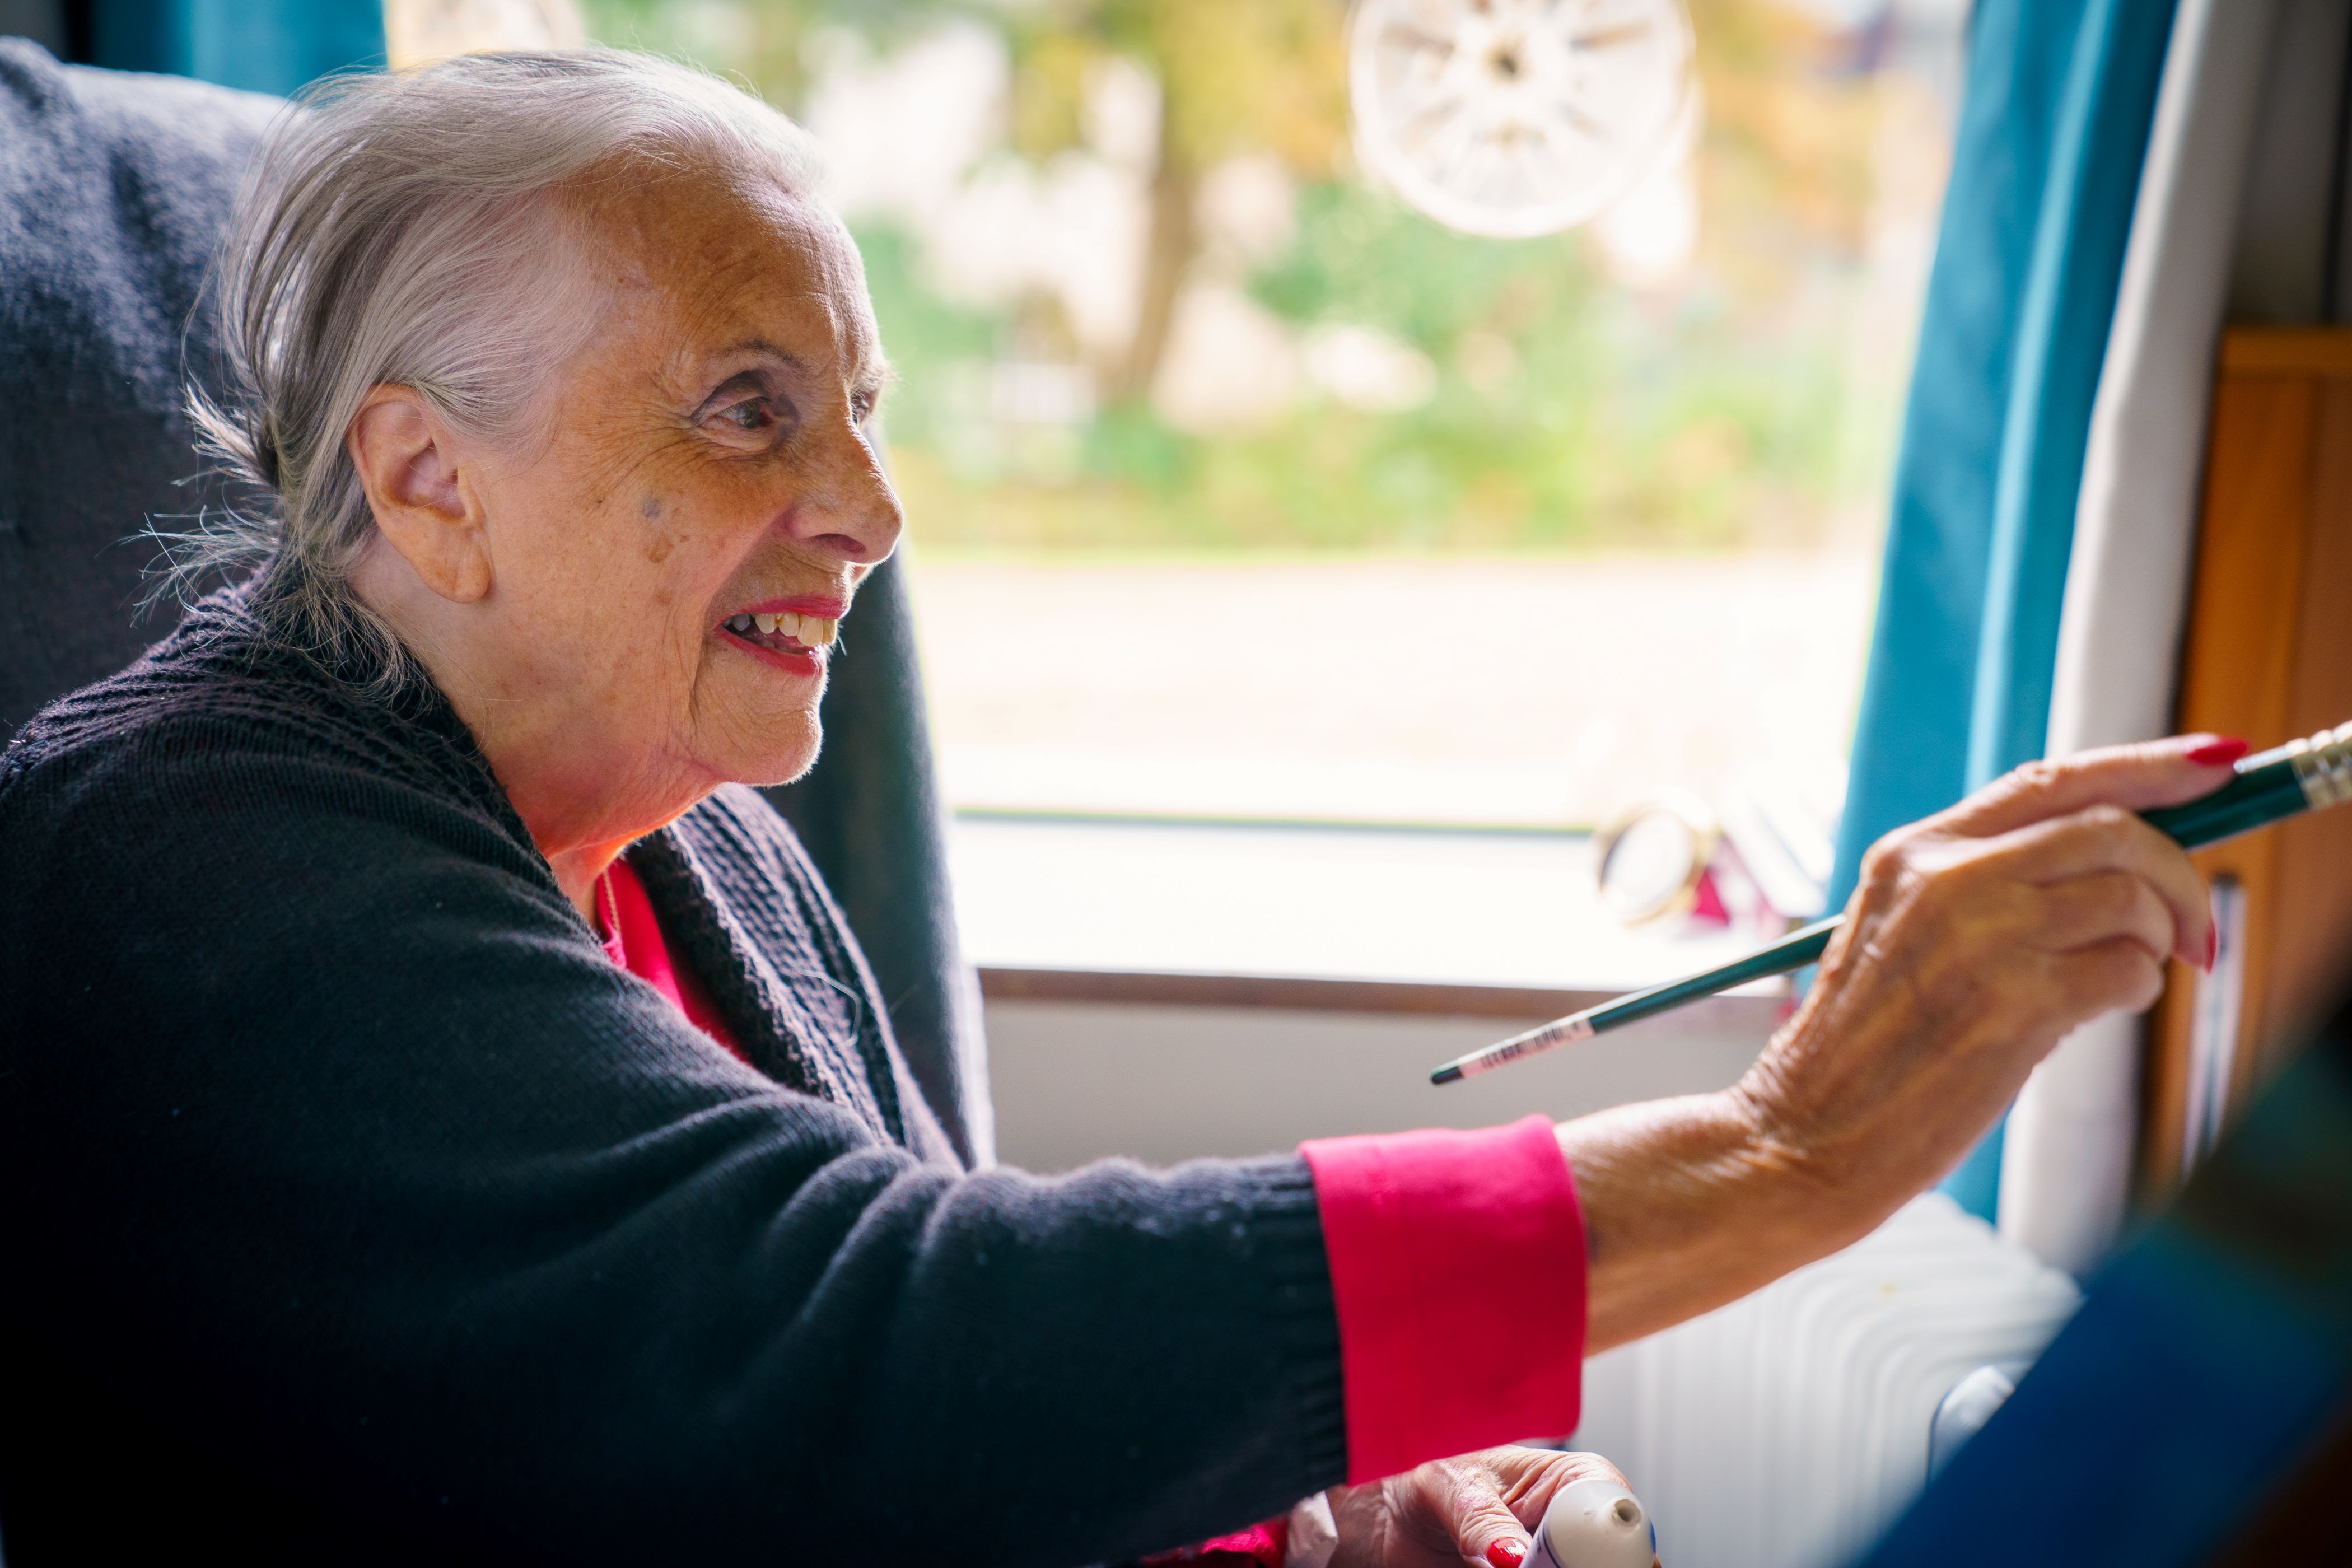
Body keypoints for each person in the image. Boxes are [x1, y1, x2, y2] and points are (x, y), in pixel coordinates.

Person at [0, 49, 2236, 1568]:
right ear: (424, 481)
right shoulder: (181, 872)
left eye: (860, 412)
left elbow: (929, 1451)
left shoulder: (690, 838)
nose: (868, 509)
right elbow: (878, 1349)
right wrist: (1787, 1148)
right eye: (751, 410)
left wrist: (1296, 1506)